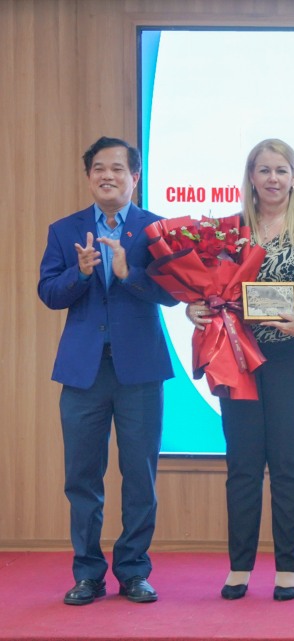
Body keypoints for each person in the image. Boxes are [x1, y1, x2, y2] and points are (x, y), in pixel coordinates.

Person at [187, 139, 294, 601]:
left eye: (282, 170)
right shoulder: (227, 232)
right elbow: (208, 288)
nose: (273, 179)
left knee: (289, 464)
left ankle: (288, 568)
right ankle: (239, 567)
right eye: (264, 169)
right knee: (244, 466)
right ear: (251, 176)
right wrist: (195, 308)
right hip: (237, 359)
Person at [38, 136, 178, 605]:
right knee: (82, 477)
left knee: (139, 474)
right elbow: (49, 293)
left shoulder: (156, 228)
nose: (108, 176)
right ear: (88, 176)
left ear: (134, 176)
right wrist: (79, 274)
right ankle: (88, 573)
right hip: (83, 373)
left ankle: (134, 570)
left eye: (118, 168)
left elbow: (171, 293)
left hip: (139, 370)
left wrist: (128, 275)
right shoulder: (64, 230)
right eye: (99, 168)